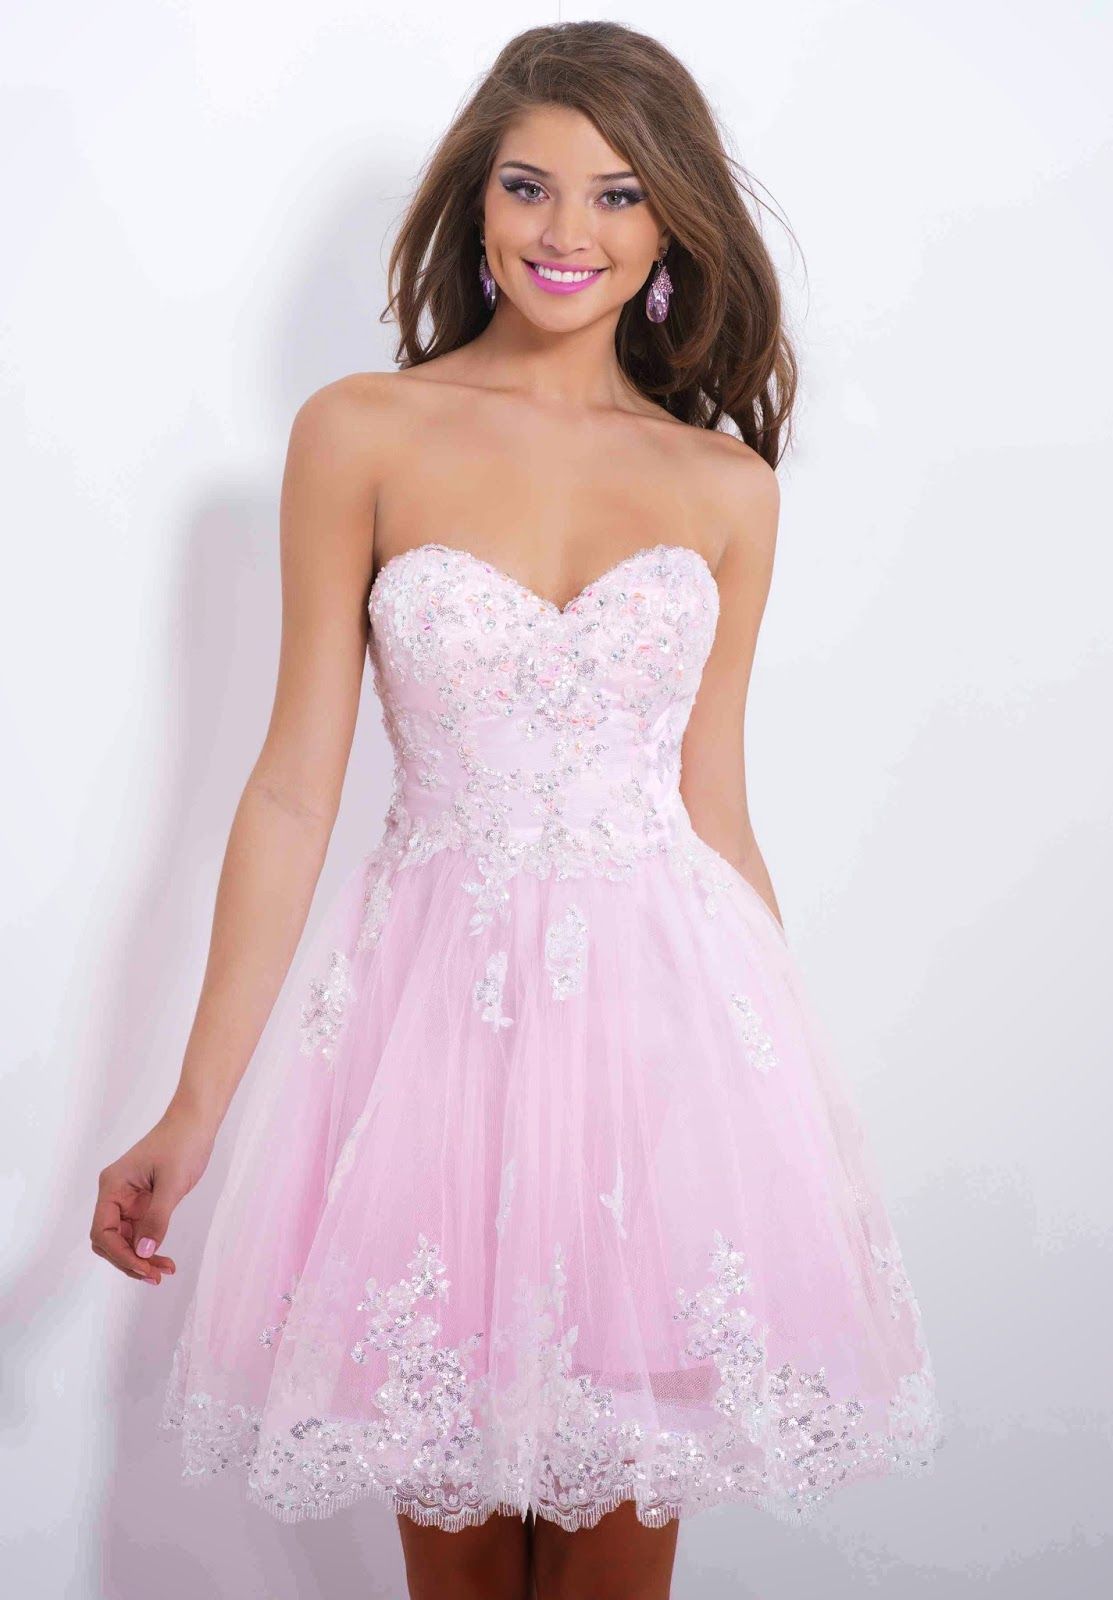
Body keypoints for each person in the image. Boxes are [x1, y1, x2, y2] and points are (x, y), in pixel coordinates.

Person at [90, 21, 944, 1600]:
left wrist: (785, 1112)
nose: (567, 230)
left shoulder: (725, 489)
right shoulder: (362, 432)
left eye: (617, 195)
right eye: (528, 185)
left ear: (670, 224)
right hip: (430, 1050)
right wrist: (192, 1110)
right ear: (475, 202)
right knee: (464, 1576)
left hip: (656, 1052)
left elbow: (712, 808)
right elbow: (291, 791)